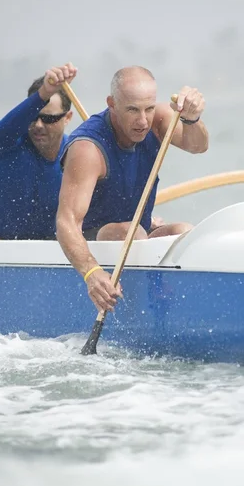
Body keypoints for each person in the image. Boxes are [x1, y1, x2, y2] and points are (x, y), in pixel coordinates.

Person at [56, 65, 208, 313]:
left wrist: (192, 119)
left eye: (149, 108)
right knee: (134, 232)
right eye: (132, 110)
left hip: (138, 234)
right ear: (112, 104)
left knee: (184, 232)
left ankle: (175, 306)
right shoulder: (87, 148)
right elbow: (66, 223)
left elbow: (198, 146)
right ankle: (146, 304)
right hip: (95, 240)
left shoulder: (158, 120)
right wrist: (92, 273)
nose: (143, 121)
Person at [0, 63, 78, 240]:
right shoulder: (6, 142)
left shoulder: (76, 154)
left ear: (67, 118)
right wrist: (44, 93)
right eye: (33, 117)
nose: (38, 125)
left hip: (44, 250)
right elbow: (2, 130)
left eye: (48, 118)